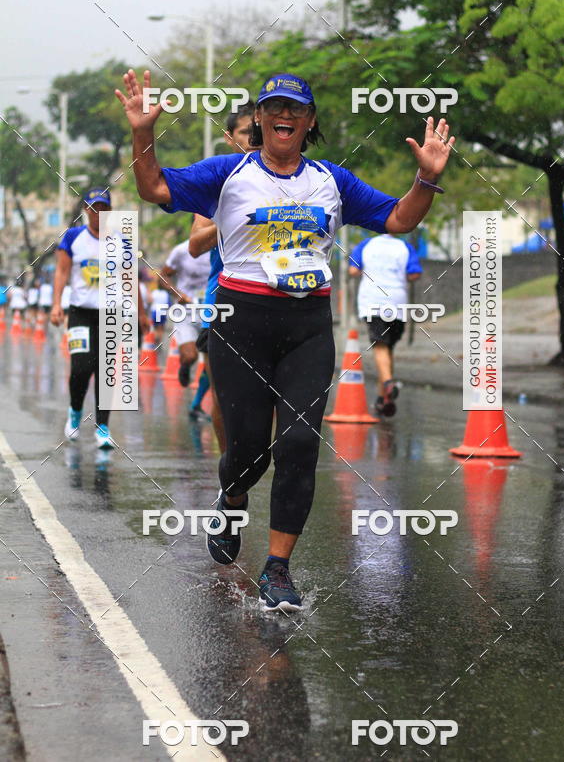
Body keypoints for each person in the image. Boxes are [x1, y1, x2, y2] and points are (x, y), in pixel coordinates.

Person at [117, 68, 454, 612]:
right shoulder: (227, 173)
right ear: (259, 118)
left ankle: (277, 568)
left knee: (298, 445)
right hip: (240, 322)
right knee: (248, 451)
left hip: (306, 325)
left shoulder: (332, 180)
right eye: (274, 108)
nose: (284, 117)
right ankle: (231, 497)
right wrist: (141, 133)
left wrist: (427, 180)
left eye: (296, 109)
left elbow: (397, 219)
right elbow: (154, 187)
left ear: (310, 121)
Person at [188, 101, 255, 443]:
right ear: (230, 138)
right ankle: (230, 478)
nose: (255, 137)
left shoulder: (293, 180)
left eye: (261, 130)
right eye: (247, 132)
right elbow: (196, 245)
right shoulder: (217, 182)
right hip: (223, 302)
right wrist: (232, 220)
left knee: (267, 398)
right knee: (224, 397)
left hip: (278, 302)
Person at [50, 188, 115, 449]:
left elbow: (127, 278)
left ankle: (103, 427)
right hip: (80, 313)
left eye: (103, 208)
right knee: (80, 368)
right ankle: (75, 413)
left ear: (110, 212)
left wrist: (140, 314)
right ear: (86, 211)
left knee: (105, 373)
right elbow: (62, 273)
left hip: (110, 314)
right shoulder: (74, 237)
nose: (98, 213)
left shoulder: (121, 240)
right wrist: (57, 305)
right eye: (93, 208)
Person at [349, 234, 423, 416]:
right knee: (388, 348)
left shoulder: (365, 244)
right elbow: (414, 274)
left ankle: (388, 384)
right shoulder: (405, 247)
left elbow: (353, 270)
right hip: (397, 302)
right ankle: (383, 399)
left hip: (374, 300)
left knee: (379, 345)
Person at [157, 238, 211, 386]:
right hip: (185, 311)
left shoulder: (221, 248)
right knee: (190, 356)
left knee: (214, 362)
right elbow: (163, 276)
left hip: (212, 311)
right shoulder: (181, 250)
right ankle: (185, 365)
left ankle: (198, 404)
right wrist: (177, 293)